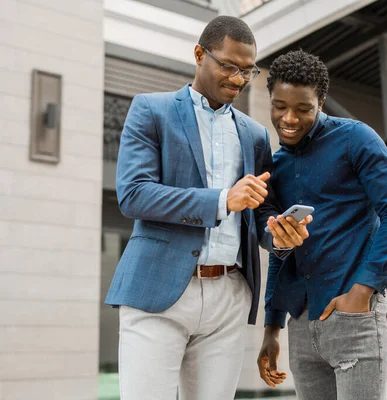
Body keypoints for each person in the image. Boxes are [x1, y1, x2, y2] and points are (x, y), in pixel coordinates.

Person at [105, 16, 309, 400]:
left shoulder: (254, 135)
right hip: (157, 291)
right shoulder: (151, 110)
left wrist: (279, 234)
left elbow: (259, 214)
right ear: (199, 54)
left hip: (229, 296)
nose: (238, 79)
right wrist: (221, 200)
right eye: (229, 66)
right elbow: (134, 194)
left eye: (247, 71)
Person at [257, 49, 387, 400]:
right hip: (301, 324)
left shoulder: (356, 139)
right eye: (280, 106)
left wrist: (362, 293)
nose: (289, 118)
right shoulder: (276, 165)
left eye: (303, 109)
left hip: (355, 317)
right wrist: (272, 325)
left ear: (321, 101)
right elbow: (283, 252)